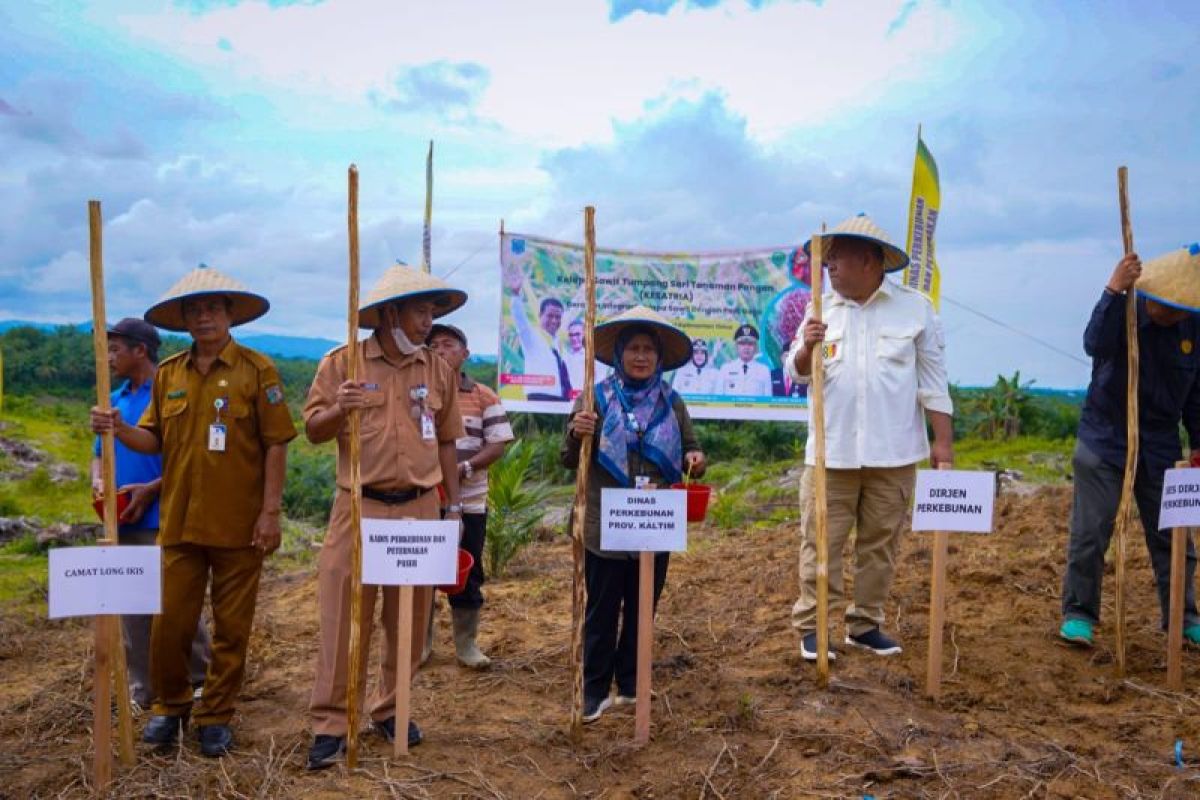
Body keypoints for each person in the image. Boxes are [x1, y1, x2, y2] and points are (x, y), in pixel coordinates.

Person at [91, 265, 296, 757]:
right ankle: (172, 705)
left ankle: (216, 714)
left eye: (213, 308)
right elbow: (153, 438)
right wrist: (117, 428)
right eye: (195, 310)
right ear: (183, 320)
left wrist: (270, 513)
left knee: (231, 628)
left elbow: (276, 445)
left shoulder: (257, 370)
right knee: (171, 624)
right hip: (179, 522)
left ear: (229, 315)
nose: (204, 317)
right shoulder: (169, 374)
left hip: (240, 524)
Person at [304, 264, 466, 770]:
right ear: (391, 312)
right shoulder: (342, 365)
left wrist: (452, 508)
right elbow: (311, 429)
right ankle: (332, 722)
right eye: (421, 309)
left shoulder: (436, 369)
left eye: (434, 310)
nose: (429, 320)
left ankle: (391, 708)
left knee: (410, 619)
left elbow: (445, 440)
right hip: (359, 505)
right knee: (345, 618)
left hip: (419, 507)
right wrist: (339, 409)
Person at [785, 214, 953, 661]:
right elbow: (794, 373)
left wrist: (943, 445)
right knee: (821, 542)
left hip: (895, 453)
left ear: (870, 261)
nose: (830, 266)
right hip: (830, 454)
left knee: (880, 543)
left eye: (837, 257)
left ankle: (865, 624)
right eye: (828, 258)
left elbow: (933, 380)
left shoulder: (915, 308)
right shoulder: (818, 309)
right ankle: (815, 627)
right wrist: (807, 348)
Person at [562, 305, 707, 723]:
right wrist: (578, 434)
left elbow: (693, 448)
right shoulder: (594, 398)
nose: (640, 357)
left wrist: (696, 458)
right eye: (633, 349)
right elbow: (568, 460)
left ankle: (629, 685)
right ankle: (592, 691)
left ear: (659, 357)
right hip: (605, 524)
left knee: (644, 607)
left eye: (648, 349)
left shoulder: (672, 402)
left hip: (655, 522)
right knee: (602, 611)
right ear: (619, 353)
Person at [1060, 244, 1200, 648]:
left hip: (1159, 443)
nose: (1169, 315)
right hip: (1104, 438)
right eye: (1164, 306)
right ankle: (1079, 614)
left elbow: (1195, 392)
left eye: (1179, 309)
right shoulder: (1122, 310)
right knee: (1090, 534)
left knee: (1174, 536)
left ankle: (1183, 617)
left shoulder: (1192, 326)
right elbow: (1093, 344)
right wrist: (1112, 290)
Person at [89, 317, 211, 712]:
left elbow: (187, 458)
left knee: (175, 605)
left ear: (140, 350)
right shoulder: (116, 399)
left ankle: (199, 679)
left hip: (163, 517)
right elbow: (96, 454)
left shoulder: (170, 392)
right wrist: (98, 482)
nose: (109, 357)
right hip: (121, 520)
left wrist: (150, 490)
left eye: (115, 349)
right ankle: (146, 687)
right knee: (132, 610)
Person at [425, 323, 515, 669]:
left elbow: (497, 445)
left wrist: (463, 469)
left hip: (470, 502)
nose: (440, 350)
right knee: (421, 573)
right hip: (423, 501)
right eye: (432, 345)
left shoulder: (484, 396)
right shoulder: (417, 393)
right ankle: (421, 646)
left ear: (465, 354)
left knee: (466, 571)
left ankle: (466, 645)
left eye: (448, 344)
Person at [505, 267, 572, 401]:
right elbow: (520, 318)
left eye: (558, 317)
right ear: (540, 315)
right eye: (550, 316)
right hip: (539, 396)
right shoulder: (531, 336)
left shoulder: (558, 343)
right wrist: (516, 294)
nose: (554, 320)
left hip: (560, 399)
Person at [717, 324, 773, 396]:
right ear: (736, 346)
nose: (746, 347)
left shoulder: (764, 371)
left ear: (756, 347)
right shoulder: (725, 369)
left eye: (750, 344)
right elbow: (718, 399)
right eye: (742, 343)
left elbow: (768, 400)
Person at [564, 318, 610, 396]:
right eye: (571, 335)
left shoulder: (596, 356)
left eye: (577, 334)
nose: (574, 338)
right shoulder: (564, 357)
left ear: (585, 334)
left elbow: (600, 382)